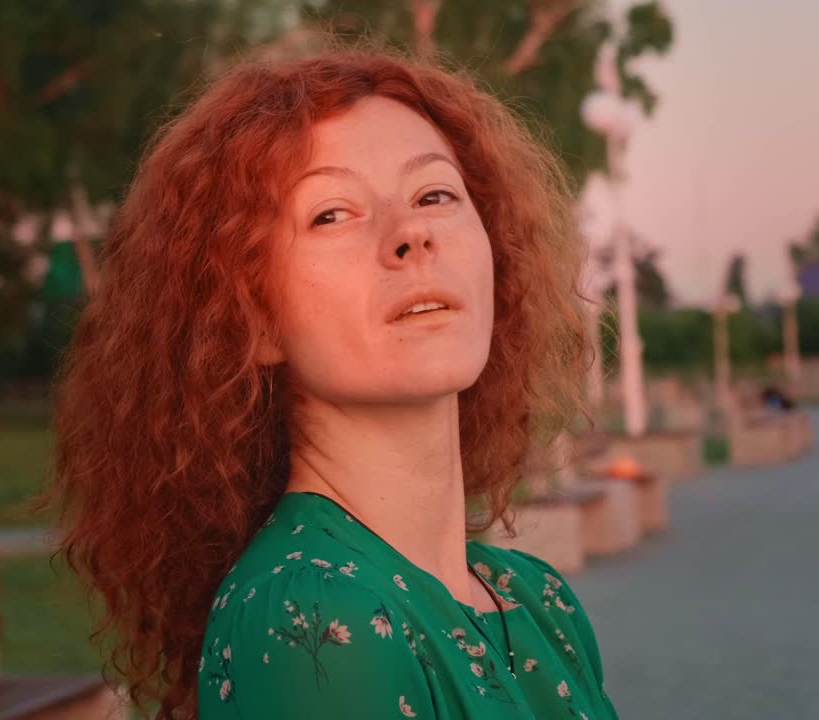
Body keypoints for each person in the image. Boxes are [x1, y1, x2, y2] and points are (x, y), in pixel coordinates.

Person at [44, 39, 615, 719]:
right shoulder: (309, 620)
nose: (411, 235)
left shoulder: (537, 601)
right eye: (331, 213)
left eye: (434, 193)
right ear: (251, 319)